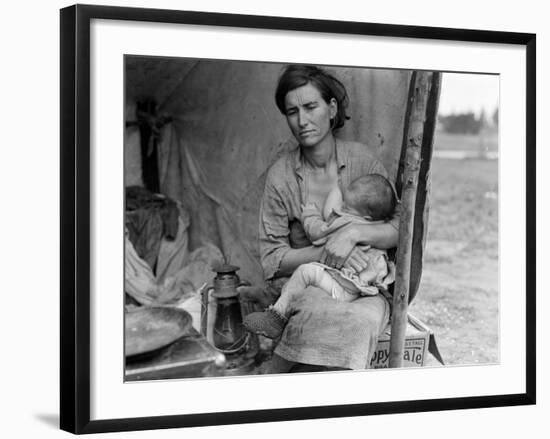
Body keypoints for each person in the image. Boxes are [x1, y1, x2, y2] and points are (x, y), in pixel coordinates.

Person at [255, 64, 400, 370]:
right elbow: (272, 259)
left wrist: (352, 236)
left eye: (310, 107)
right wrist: (327, 251)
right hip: (312, 286)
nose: (302, 120)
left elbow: (400, 229)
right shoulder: (281, 176)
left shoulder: (363, 161)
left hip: (366, 289)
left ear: (332, 108)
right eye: (292, 111)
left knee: (359, 324)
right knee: (312, 319)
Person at [244, 173, 396, 339]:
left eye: (345, 208)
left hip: (345, 289)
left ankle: (276, 318)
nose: (341, 209)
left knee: (305, 272)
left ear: (364, 216)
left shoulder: (346, 222)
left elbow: (317, 232)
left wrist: (310, 214)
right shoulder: (378, 226)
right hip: (364, 288)